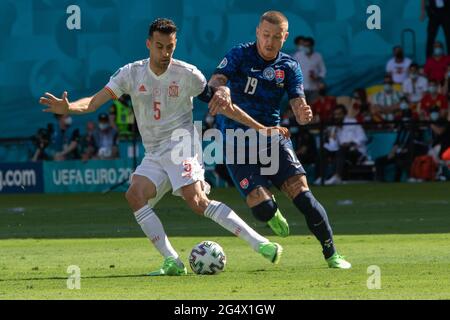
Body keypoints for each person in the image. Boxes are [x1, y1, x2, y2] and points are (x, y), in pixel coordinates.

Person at [39, 18, 286, 276]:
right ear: (148, 44)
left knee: (197, 202)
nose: (165, 53)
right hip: (155, 151)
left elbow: (225, 107)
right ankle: (172, 261)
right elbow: (92, 103)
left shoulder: (188, 75)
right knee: (134, 195)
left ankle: (262, 244)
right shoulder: (130, 74)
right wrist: (68, 108)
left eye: (170, 47)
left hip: (182, 142)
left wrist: (261, 128)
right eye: (159, 46)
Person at [208, 11, 351, 269]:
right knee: (262, 210)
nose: (269, 42)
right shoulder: (239, 54)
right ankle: (272, 212)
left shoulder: (289, 66)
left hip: (272, 139)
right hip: (236, 141)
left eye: (276, 37)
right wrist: (222, 89)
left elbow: (298, 102)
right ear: (257, 33)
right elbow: (217, 79)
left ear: (285, 38)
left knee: (304, 197)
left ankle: (332, 254)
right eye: (265, 35)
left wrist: (303, 113)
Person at [322, 105, 368, 185]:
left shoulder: (352, 122)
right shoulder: (335, 127)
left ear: (344, 114)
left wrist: (351, 143)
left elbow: (363, 137)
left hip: (356, 151)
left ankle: (337, 177)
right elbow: (333, 146)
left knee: (342, 149)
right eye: (335, 114)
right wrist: (333, 136)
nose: (337, 117)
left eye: (339, 114)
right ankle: (321, 177)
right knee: (323, 151)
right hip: (341, 151)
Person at [292, 36, 326, 103]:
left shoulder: (318, 56)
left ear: (312, 46)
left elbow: (323, 70)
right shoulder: (298, 55)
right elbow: (292, 69)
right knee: (301, 108)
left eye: (308, 46)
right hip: (301, 88)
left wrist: (318, 77)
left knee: (313, 107)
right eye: (304, 46)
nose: (306, 47)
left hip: (314, 88)